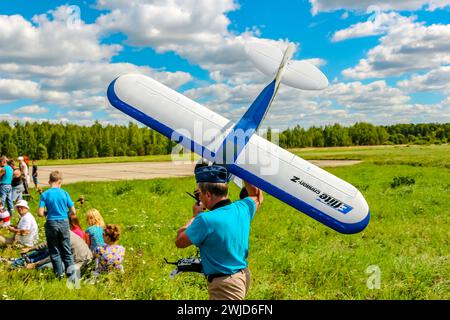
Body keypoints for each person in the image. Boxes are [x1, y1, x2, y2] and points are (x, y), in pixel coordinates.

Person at [175, 165, 263, 300]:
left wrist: (194, 216)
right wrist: (242, 170)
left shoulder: (205, 220)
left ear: (208, 194)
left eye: (199, 194)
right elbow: (256, 195)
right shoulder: (243, 207)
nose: (200, 198)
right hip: (242, 276)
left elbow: (180, 241)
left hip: (225, 284)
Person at [37, 170, 75, 279]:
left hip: (51, 223)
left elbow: (40, 213)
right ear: (60, 181)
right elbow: (73, 211)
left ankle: (59, 275)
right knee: (67, 251)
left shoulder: (45, 194)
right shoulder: (64, 193)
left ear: (49, 181)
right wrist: (66, 214)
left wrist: (46, 213)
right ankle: (72, 278)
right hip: (64, 222)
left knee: (54, 251)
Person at [11, 230, 93, 272]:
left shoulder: (65, 239)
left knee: (43, 267)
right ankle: (18, 263)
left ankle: (25, 265)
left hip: (79, 262)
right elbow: (47, 243)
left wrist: (36, 264)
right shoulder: (63, 231)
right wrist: (30, 248)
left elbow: (54, 257)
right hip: (73, 257)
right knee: (45, 251)